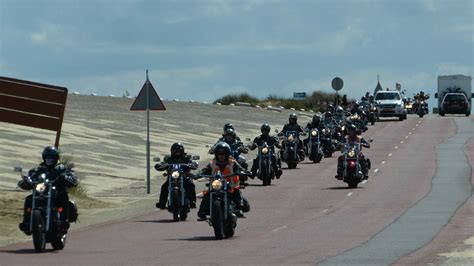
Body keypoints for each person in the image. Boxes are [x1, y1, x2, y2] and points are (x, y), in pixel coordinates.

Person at [18, 146, 78, 235]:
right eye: (47, 157)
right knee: (29, 199)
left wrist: (67, 178)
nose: (49, 159)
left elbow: (72, 178)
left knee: (63, 197)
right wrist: (25, 181)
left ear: (56, 157)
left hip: (57, 192)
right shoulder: (38, 169)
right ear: (44, 157)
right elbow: (31, 176)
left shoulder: (61, 168)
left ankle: (63, 221)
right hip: (41, 192)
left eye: (51, 157)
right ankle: (27, 223)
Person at [197, 142, 250, 220]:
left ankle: (239, 208)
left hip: (231, 185)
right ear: (216, 154)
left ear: (227, 154)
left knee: (236, 192)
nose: (221, 156)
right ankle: (202, 211)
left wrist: (244, 172)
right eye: (219, 154)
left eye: (223, 154)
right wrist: (199, 174)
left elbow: (240, 169)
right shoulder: (212, 163)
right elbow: (205, 170)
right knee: (207, 195)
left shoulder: (232, 162)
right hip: (216, 186)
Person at [155, 143, 198, 209]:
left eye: (179, 151)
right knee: (164, 187)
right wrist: (160, 165)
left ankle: (192, 201)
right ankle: (162, 203)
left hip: (184, 177)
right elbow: (163, 163)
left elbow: (192, 162)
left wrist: (192, 164)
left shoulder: (186, 158)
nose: (177, 153)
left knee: (190, 184)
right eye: (175, 151)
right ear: (172, 151)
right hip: (172, 177)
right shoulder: (168, 158)